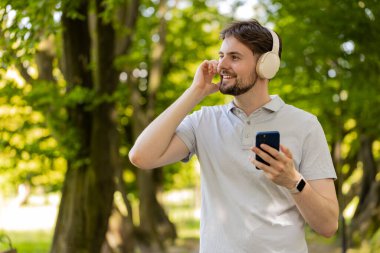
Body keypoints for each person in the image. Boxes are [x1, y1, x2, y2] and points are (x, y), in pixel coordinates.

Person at [129, 19, 339, 253]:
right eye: (221, 55)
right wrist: (195, 92)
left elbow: (328, 225)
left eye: (234, 57)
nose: (221, 65)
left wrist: (294, 182)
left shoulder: (305, 125)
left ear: (265, 65)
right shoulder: (204, 121)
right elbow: (141, 157)